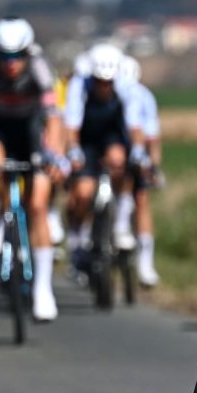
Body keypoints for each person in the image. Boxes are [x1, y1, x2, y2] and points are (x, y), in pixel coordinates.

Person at [0, 17, 68, 321]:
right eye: (5, 56)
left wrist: (54, 156)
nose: (11, 63)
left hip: (31, 131)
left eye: (18, 56)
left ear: (28, 53)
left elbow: (53, 118)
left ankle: (43, 288)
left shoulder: (40, 69)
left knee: (38, 204)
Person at [63, 44, 144, 266]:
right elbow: (71, 125)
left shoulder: (126, 86)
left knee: (121, 161)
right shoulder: (78, 86)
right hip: (86, 140)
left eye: (108, 82)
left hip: (112, 137)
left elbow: (134, 125)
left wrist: (138, 149)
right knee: (83, 192)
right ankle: (78, 237)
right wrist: (73, 150)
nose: (103, 86)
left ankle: (120, 225)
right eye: (99, 81)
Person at [116, 55, 161, 286]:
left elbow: (152, 137)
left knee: (142, 199)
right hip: (113, 147)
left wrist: (154, 166)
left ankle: (145, 262)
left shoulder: (145, 97)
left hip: (136, 150)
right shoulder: (111, 93)